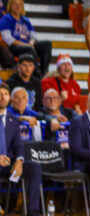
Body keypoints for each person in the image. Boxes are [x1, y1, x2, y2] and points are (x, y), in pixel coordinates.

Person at [0, 83, 42, 215]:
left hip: (8, 163)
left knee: (34, 167)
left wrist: (19, 160)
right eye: (0, 94)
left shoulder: (13, 119)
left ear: (9, 98)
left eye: (5, 94)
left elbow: (18, 145)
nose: (2, 97)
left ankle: (33, 210)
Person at [0, 0, 52, 76]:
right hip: (14, 47)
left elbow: (34, 36)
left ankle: (44, 73)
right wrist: (26, 45)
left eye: (20, 4)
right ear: (10, 6)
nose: (18, 7)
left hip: (28, 45)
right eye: (15, 4)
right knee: (29, 49)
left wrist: (31, 42)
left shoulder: (26, 20)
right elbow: (8, 39)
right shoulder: (5, 19)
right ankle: (38, 75)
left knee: (47, 44)